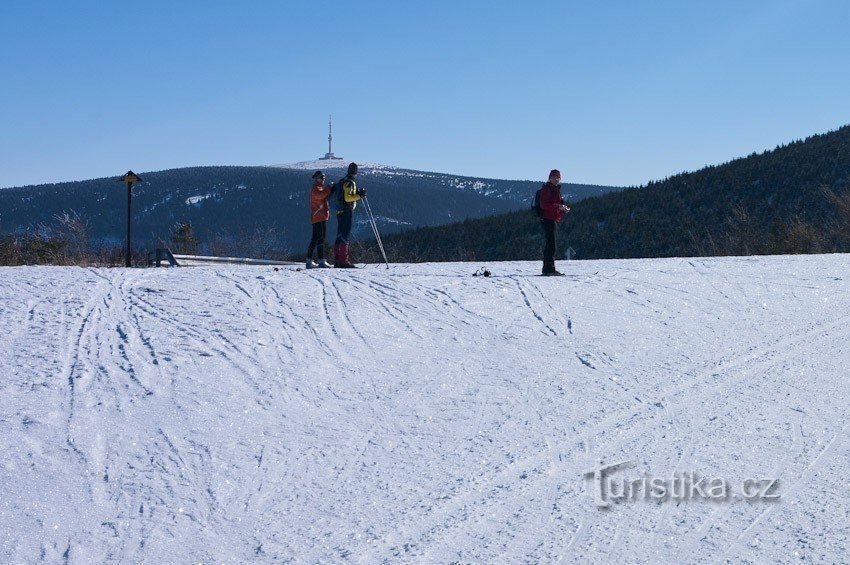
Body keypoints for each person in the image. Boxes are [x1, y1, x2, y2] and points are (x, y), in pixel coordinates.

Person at [333, 162, 367, 268]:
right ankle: (344, 260)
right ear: (356, 172)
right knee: (345, 235)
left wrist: (356, 193)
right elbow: (348, 198)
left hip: (339, 210)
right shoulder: (350, 182)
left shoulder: (343, 180)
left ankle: (338, 260)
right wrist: (359, 195)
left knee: (340, 234)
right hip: (347, 210)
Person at [539, 169, 570, 275]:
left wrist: (564, 208)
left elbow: (556, 204)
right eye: (554, 177)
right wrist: (559, 207)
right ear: (550, 178)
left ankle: (548, 269)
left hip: (553, 219)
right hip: (548, 219)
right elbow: (544, 205)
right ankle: (549, 269)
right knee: (551, 245)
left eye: (558, 177)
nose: (556, 179)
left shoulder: (556, 189)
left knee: (551, 244)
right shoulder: (547, 189)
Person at [306, 171, 334, 268]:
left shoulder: (318, 188)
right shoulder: (316, 189)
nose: (323, 180)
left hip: (317, 216)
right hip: (319, 216)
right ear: (317, 178)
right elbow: (321, 195)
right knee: (321, 238)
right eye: (322, 178)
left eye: (324, 178)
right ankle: (321, 260)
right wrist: (329, 187)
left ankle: (309, 260)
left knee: (315, 239)